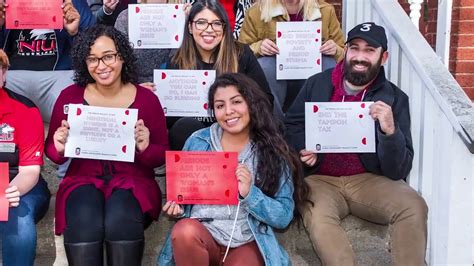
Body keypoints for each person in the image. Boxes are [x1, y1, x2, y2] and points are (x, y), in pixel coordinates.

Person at [284, 22, 428, 265]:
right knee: (319, 217)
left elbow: (398, 170)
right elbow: (291, 125)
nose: (360, 57)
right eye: (354, 48)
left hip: (369, 179)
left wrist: (390, 132)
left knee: (413, 205)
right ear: (345, 50)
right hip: (321, 178)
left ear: (384, 57)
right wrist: (302, 149)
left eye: (369, 50)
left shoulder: (394, 98)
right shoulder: (316, 84)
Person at [45, 25, 168, 265]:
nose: (101, 66)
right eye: (92, 59)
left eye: (108, 57)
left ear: (122, 56)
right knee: (83, 219)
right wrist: (59, 145)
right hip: (82, 178)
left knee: (120, 218)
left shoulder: (147, 100)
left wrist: (145, 146)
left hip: (134, 181)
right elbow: (53, 152)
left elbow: (161, 155)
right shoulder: (70, 96)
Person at [158, 73, 309, 265]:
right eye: (220, 106)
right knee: (184, 231)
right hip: (204, 237)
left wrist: (250, 194)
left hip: (247, 241)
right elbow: (184, 200)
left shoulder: (273, 151)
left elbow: (283, 216)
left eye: (236, 102)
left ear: (251, 103)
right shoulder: (198, 141)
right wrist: (178, 209)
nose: (228, 111)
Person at [163, 0, 273, 150]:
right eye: (201, 22)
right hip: (196, 134)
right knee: (183, 127)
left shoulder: (241, 54)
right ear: (189, 27)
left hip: (235, 127)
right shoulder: (177, 60)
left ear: (224, 28)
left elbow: (266, 100)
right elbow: (169, 119)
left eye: (216, 23)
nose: (209, 29)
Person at [239, 0, 344, 119]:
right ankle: (274, 124)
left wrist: (335, 49)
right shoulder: (257, 11)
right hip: (275, 74)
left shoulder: (325, 10)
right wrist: (258, 47)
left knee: (329, 65)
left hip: (310, 70)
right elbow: (242, 51)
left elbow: (343, 52)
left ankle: (319, 121)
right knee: (264, 66)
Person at [0, 0, 95, 122]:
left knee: (77, 82)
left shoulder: (74, 2)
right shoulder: (5, 3)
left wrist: (74, 33)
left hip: (60, 77)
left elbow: (94, 48)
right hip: (11, 77)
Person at [0, 49, 51, 266]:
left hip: (19, 182)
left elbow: (29, 171)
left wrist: (10, 193)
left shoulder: (25, 110)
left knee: (17, 217)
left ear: (4, 74)